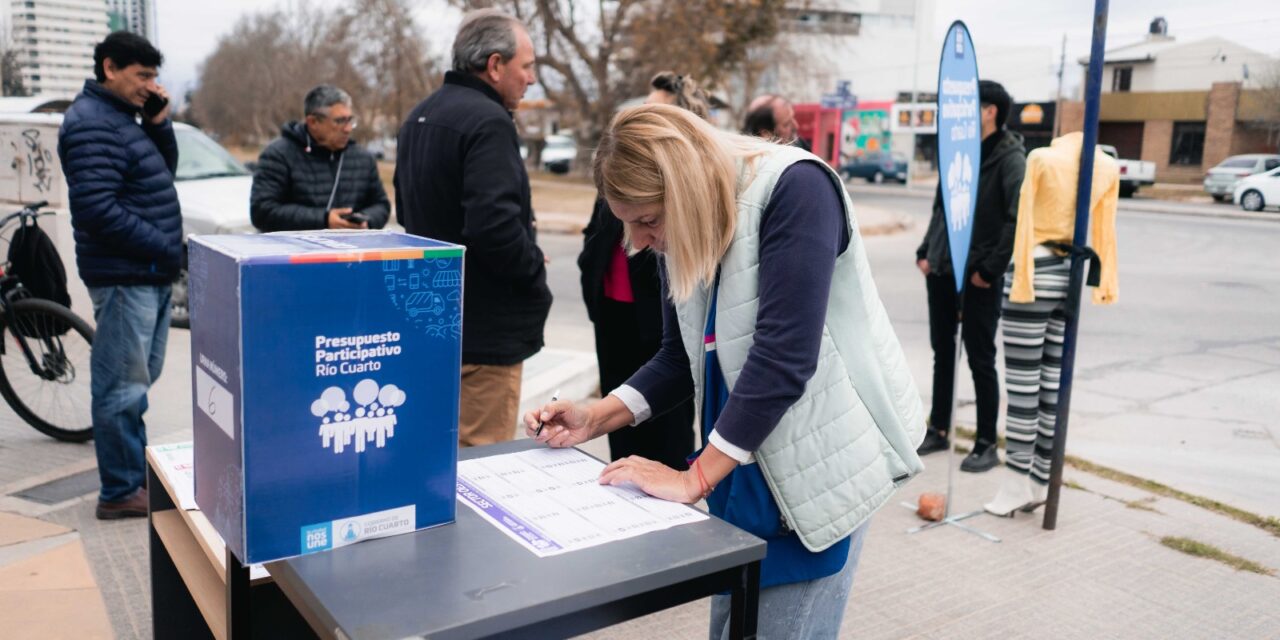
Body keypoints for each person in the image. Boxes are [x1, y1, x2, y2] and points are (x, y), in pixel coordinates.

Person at [525, 104, 925, 639]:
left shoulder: (798, 190)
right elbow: (678, 357)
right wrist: (595, 419)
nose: (639, 242)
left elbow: (783, 360)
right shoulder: (691, 221)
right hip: (741, 464)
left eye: (646, 220)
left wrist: (692, 477)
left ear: (685, 188)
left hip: (813, 474)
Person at [395, 9, 550, 447]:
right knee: (479, 468)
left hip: (435, 321)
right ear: (496, 65)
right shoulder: (488, 121)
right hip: (484, 336)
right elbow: (493, 227)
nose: (532, 79)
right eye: (527, 66)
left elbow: (410, 213)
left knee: (433, 455)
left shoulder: (418, 116)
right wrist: (532, 263)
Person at [57, 32, 181, 519]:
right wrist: (163, 247)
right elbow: (96, 210)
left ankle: (131, 480)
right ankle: (119, 490)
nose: (152, 86)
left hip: (145, 273)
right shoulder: (91, 124)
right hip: (127, 275)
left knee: (137, 382)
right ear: (110, 68)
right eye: (143, 76)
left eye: (154, 76)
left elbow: (159, 174)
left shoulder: (123, 119)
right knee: (121, 388)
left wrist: (158, 123)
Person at [984, 131, 1119, 516]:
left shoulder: (1042, 158)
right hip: (1071, 272)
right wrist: (1104, 278)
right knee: (1050, 384)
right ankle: (1041, 479)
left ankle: (1015, 485)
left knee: (1023, 385)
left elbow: (1024, 220)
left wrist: (1020, 274)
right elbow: (1104, 227)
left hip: (1035, 267)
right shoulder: (1106, 167)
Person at [577, 72, 707, 469]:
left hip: (656, 316)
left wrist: (693, 481)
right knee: (623, 417)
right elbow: (598, 230)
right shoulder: (621, 171)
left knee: (667, 423)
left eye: (656, 111)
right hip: (614, 311)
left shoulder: (686, 197)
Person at [914, 79, 1025, 473]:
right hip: (942, 269)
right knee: (943, 354)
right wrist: (926, 252)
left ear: (990, 110)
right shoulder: (958, 150)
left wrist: (990, 269)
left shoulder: (1010, 157)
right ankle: (940, 429)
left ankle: (985, 443)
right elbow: (940, 209)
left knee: (980, 358)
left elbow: (1017, 218)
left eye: (969, 106)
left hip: (979, 275)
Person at [250, 85, 390, 232]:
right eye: (340, 121)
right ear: (313, 122)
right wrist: (323, 219)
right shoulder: (278, 155)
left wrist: (364, 220)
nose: (348, 128)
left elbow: (381, 205)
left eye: (350, 120)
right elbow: (262, 211)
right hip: (296, 252)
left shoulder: (363, 158)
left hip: (351, 251)